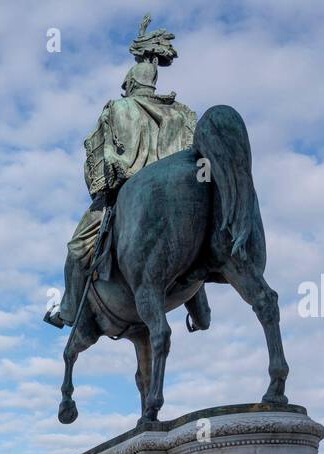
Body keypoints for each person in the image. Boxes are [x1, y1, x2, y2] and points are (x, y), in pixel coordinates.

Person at [47, 15, 199, 330]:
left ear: (130, 84)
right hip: (177, 192)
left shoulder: (117, 109)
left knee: (76, 249)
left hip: (123, 193)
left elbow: (99, 163)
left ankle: (69, 309)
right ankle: (200, 312)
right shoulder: (180, 113)